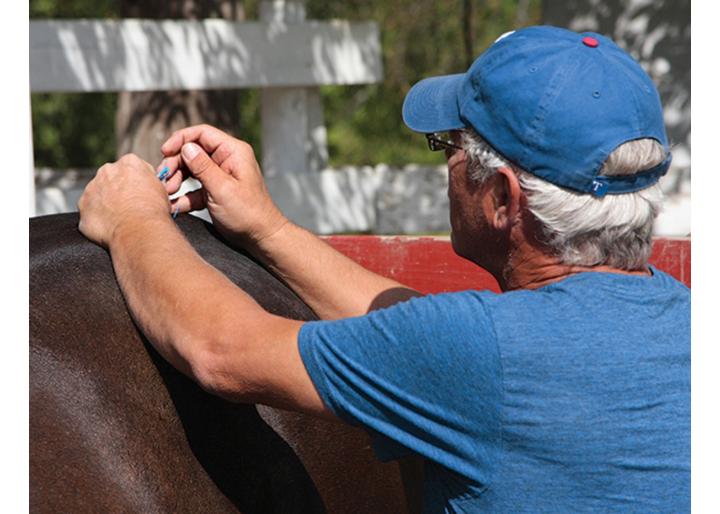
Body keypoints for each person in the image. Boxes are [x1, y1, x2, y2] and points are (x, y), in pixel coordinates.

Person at [78, 26, 689, 513]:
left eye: (449, 145)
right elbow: (419, 338)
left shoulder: (482, 352)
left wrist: (134, 219)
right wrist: (269, 230)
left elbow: (221, 351)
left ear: (502, 199)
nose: (446, 167)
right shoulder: (688, 319)